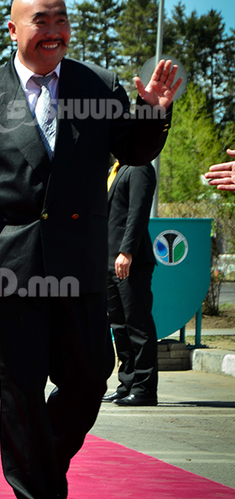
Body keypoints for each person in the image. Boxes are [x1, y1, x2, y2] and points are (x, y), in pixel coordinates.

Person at [0, 0, 180, 499]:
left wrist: (153, 112)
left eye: (62, 20)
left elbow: (135, 151)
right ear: (13, 29)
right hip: (15, 263)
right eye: (41, 21)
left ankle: (44, 461)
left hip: (80, 260)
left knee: (91, 375)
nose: (54, 31)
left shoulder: (98, 85)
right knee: (22, 385)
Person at [103, 162, 159, 406]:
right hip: (109, 260)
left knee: (137, 324)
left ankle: (144, 389)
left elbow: (138, 212)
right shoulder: (115, 169)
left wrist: (127, 251)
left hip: (130, 260)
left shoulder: (139, 167)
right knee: (119, 325)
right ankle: (127, 383)